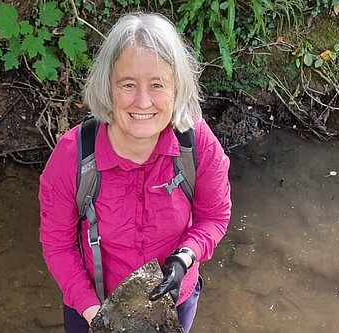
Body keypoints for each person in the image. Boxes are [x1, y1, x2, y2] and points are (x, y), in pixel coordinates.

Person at [39, 12, 231, 333]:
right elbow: (58, 246)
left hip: (172, 302)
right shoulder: (73, 155)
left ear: (176, 88)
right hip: (93, 307)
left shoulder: (197, 144)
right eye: (128, 84)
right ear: (108, 87)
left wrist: (185, 257)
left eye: (157, 85)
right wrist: (98, 317)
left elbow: (214, 217)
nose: (143, 102)